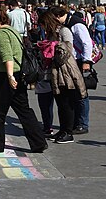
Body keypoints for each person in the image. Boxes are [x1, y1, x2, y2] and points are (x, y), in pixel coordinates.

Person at [0, 9, 47, 154]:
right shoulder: (13, 31)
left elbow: (7, 56)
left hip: (3, 77)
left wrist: (10, 76)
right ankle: (38, 142)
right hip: (18, 74)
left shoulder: (0, 34)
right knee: (23, 109)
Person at [37, 11, 87, 144]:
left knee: (66, 102)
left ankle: (68, 132)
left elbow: (67, 51)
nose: (42, 28)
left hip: (65, 71)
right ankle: (63, 130)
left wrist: (52, 48)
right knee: (60, 102)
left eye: (42, 24)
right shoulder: (51, 33)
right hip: (54, 71)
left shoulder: (64, 31)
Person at [50, 5, 93, 135]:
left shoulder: (76, 23)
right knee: (75, 93)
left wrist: (86, 61)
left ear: (57, 16)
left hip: (80, 60)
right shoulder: (67, 24)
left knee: (82, 93)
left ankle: (82, 123)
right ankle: (76, 122)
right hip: (73, 60)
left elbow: (86, 42)